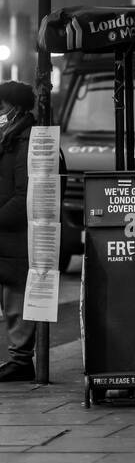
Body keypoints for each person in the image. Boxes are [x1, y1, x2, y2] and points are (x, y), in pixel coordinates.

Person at [0, 82, 37, 382]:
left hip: (17, 234)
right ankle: (18, 358)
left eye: (1, 107)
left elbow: (24, 195)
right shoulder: (10, 137)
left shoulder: (28, 141)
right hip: (7, 233)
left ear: (16, 109)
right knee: (11, 296)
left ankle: (21, 360)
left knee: (16, 297)